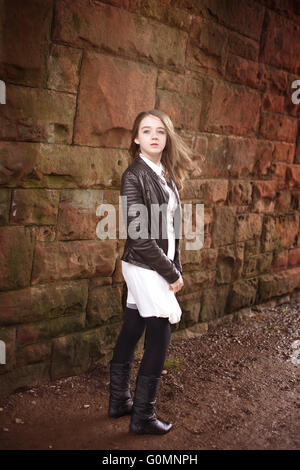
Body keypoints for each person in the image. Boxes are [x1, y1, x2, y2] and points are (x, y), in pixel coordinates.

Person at [108, 109, 195, 435]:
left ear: (167, 137)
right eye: (146, 131)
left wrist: (177, 265)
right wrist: (171, 273)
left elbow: (172, 230)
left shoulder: (165, 175)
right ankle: (142, 416)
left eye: (160, 130)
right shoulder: (134, 175)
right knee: (160, 335)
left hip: (156, 264)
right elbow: (140, 236)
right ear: (136, 138)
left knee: (133, 326)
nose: (154, 135)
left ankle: (119, 401)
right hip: (145, 265)